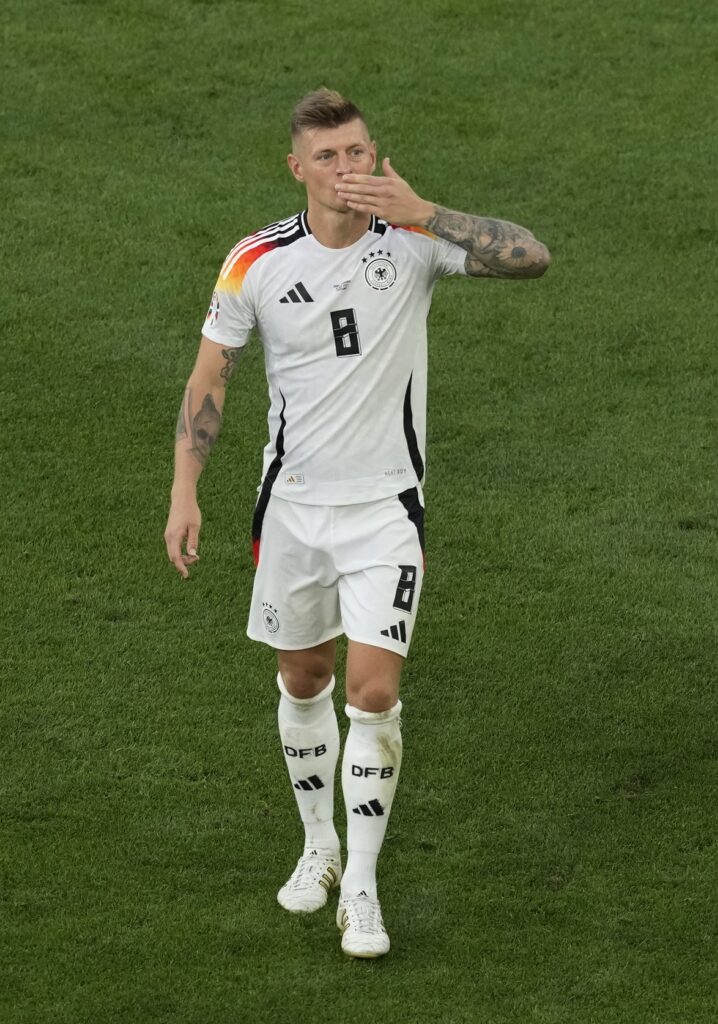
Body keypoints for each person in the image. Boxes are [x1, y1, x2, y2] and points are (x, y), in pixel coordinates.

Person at [164, 88, 549, 959]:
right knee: (303, 681)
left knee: (372, 691)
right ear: (297, 168)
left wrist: (428, 210)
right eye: (330, 157)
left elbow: (533, 258)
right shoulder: (253, 262)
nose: (349, 170)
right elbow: (211, 378)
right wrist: (185, 492)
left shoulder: (414, 243)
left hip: (385, 509)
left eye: (361, 152)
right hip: (293, 507)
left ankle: (364, 889)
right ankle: (319, 847)